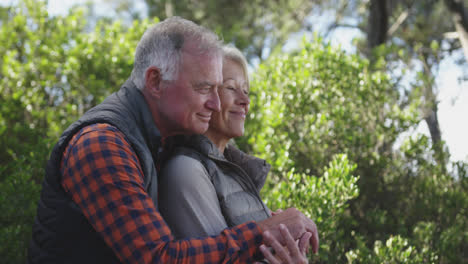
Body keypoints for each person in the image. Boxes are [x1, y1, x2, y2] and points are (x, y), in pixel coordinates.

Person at [28, 17, 318, 263]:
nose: (216, 104)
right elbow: (160, 258)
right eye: (204, 88)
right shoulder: (102, 143)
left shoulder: (160, 140)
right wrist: (264, 231)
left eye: (219, 89)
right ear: (155, 81)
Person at [158, 45, 311, 263]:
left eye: (246, 91)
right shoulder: (185, 170)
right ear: (204, 95)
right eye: (231, 88)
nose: (245, 101)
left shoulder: (233, 172)